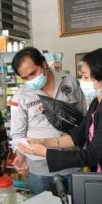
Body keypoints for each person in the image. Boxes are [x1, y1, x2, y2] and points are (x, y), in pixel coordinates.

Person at [17, 48, 102, 174]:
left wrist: (45, 152)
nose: (81, 80)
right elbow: (76, 137)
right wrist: (42, 142)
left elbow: (93, 155)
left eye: (86, 77)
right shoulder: (97, 103)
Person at [10, 47, 87, 195]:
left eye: (33, 73)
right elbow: (18, 135)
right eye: (25, 78)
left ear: (44, 64)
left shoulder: (69, 82)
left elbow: (84, 119)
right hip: (40, 167)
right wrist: (20, 156)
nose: (30, 80)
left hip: (72, 161)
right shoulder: (20, 96)